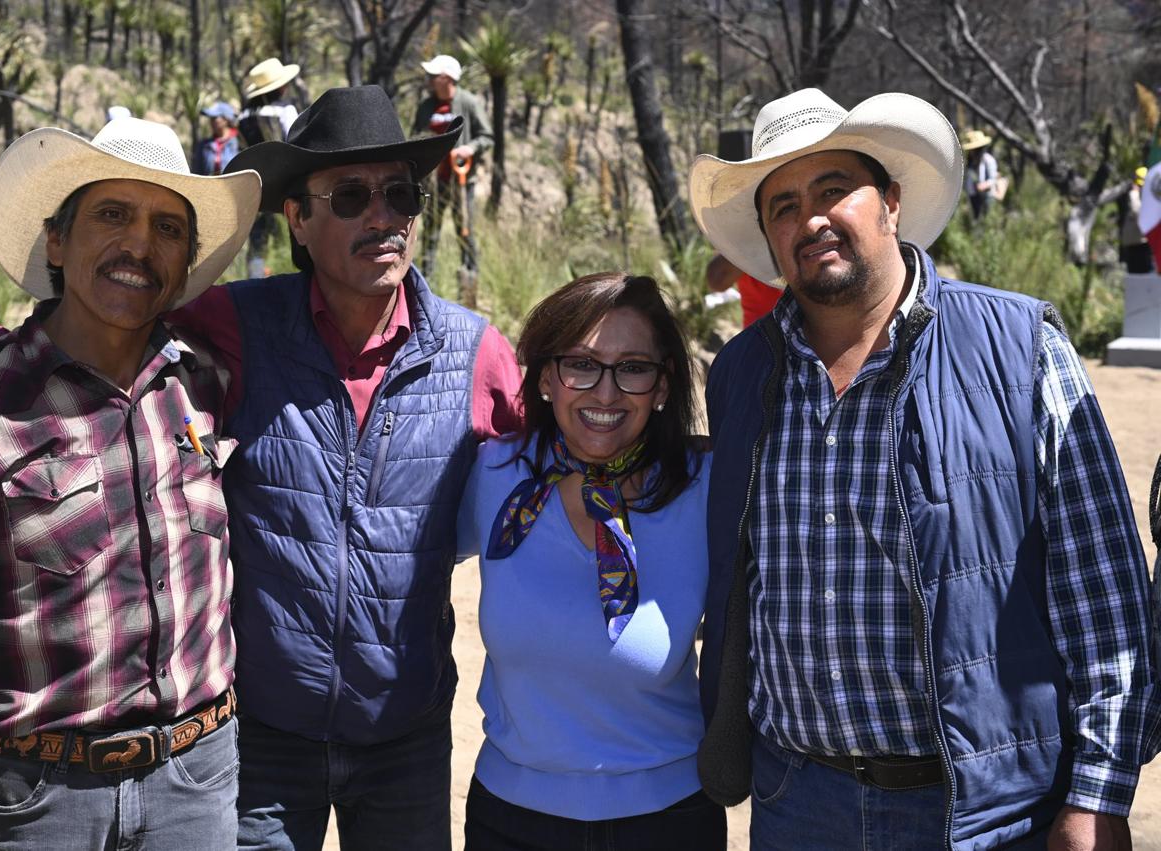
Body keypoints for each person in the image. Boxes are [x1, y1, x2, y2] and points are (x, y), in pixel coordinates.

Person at [0, 83, 525, 851]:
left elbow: (556, 462)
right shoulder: (232, 331)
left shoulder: (470, 355)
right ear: (298, 219)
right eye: (352, 195)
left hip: (387, 742)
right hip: (241, 747)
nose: (383, 216)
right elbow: (102, 317)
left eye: (400, 194)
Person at [688, 88, 1159, 849]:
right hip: (796, 801)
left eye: (834, 189)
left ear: (892, 202)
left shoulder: (1018, 345)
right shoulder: (742, 372)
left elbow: (1101, 587)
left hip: (986, 814)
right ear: (770, 238)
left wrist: (1098, 795)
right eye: (784, 206)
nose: (811, 218)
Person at [0, 116, 261, 848]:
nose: (139, 245)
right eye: (112, 214)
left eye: (167, 228)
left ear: (185, 264)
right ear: (56, 240)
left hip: (197, 787)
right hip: (34, 801)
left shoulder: (206, 385)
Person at [457, 272, 725, 850]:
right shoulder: (494, 474)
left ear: (662, 384)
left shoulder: (709, 486)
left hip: (670, 822)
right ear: (546, 378)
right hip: (509, 822)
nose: (605, 393)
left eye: (632, 368)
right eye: (580, 365)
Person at [412, 53, 492, 303]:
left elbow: (486, 136)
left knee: (465, 231)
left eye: (433, 75)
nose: (429, 79)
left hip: (460, 181)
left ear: (446, 78)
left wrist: (470, 149)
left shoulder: (468, 102)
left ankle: (468, 286)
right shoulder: (426, 106)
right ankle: (424, 286)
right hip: (433, 183)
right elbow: (415, 135)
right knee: (430, 231)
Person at [237, 57, 300, 278]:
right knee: (290, 232)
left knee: (258, 238)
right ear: (280, 86)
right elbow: (295, 143)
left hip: (254, 186)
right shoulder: (285, 111)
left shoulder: (244, 115)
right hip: (285, 183)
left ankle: (256, 279)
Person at [704, 253, 780, 327]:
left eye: (730, 284)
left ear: (726, 272)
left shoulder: (757, 269)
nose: (734, 284)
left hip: (764, 323)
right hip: (761, 323)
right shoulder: (744, 273)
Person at [1119, 166, 1153, 274]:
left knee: (1141, 275)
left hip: (1141, 243)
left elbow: (1138, 213)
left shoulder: (1139, 195)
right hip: (1134, 243)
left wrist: (1134, 194)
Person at [193, 101, 240, 177]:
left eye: (214, 118)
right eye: (211, 118)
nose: (211, 121)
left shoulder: (239, 143)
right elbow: (197, 173)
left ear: (226, 120)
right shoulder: (204, 146)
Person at [960, 128, 998, 220]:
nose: (971, 152)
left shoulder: (988, 160)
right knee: (976, 218)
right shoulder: (971, 163)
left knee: (986, 218)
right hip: (974, 196)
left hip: (986, 196)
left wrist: (984, 185)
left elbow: (993, 179)